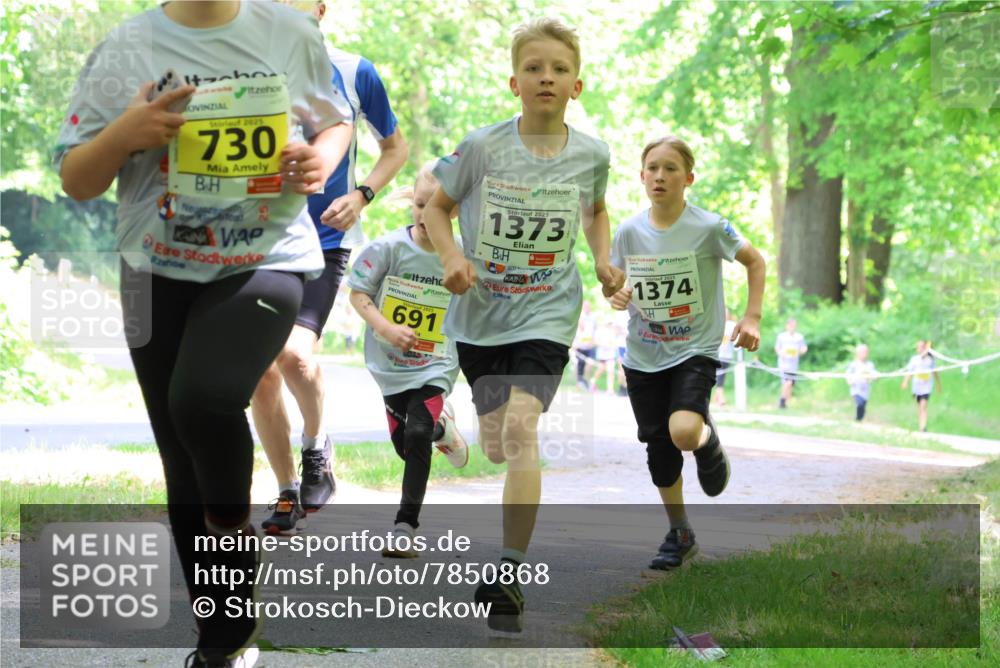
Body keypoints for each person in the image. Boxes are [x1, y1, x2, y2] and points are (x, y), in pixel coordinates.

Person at [55, 1, 353, 665]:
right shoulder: (126, 46)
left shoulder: (289, 32)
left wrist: (317, 159)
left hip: (266, 258)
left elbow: (334, 124)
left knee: (200, 400)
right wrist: (124, 134)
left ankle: (232, 540)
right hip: (152, 270)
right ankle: (221, 637)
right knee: (181, 456)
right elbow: (77, 177)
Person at [422, 18, 624, 632]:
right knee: (495, 444)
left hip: (548, 311)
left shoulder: (592, 153)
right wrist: (451, 257)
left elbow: (596, 210)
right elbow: (437, 208)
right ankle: (455, 431)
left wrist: (603, 260)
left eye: (559, 69)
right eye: (533, 68)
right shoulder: (482, 147)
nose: (546, 77)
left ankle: (509, 573)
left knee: (519, 429)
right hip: (482, 315)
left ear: (577, 85)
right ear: (514, 82)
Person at [254, 0, 408, 536]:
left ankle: (316, 445)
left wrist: (363, 195)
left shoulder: (354, 70)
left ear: (320, 8)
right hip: (255, 240)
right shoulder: (244, 67)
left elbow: (395, 148)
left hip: (324, 238)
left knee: (295, 355)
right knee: (262, 374)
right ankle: (285, 489)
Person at [607, 135, 765, 571]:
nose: (660, 176)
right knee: (659, 448)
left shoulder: (711, 227)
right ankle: (680, 532)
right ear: (641, 177)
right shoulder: (628, 231)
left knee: (682, 431)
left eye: (670, 168)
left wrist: (752, 317)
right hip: (643, 354)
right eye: (652, 168)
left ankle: (706, 439)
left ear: (688, 178)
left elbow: (755, 262)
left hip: (694, 348)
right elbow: (615, 283)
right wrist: (616, 294)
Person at [347, 162, 469, 555]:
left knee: (416, 434)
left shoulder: (462, 255)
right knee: (407, 446)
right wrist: (386, 328)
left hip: (436, 364)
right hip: (390, 365)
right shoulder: (387, 249)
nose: (424, 214)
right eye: (419, 204)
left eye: (434, 206)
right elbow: (358, 294)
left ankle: (404, 526)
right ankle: (441, 429)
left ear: (452, 210)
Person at [901, 339, 941, 432]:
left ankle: (923, 427)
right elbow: (910, 372)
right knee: (919, 407)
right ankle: (919, 424)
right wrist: (905, 382)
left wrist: (938, 384)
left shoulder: (930, 361)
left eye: (922, 347)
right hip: (917, 387)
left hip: (926, 388)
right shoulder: (914, 360)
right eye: (918, 347)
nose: (920, 349)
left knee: (923, 406)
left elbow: (935, 373)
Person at [774, 317, 807, 409]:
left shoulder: (799, 337)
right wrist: (781, 353)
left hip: (794, 364)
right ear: (787, 326)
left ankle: (785, 403)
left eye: (794, 325)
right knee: (787, 382)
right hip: (784, 363)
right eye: (791, 325)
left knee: (791, 383)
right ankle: (782, 401)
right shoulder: (781, 336)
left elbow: (804, 348)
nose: (792, 327)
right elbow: (777, 348)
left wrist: (801, 351)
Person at [713, 309, 737, 407]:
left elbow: (735, 339)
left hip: (727, 356)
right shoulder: (716, 324)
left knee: (721, 375)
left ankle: (717, 397)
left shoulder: (731, 325)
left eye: (726, 312)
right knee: (720, 376)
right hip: (717, 355)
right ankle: (721, 398)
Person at [846, 343, 876, 421]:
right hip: (856, 389)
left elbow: (873, 375)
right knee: (859, 403)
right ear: (857, 353)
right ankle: (858, 419)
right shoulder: (853, 364)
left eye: (865, 352)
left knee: (863, 404)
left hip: (865, 389)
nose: (864, 354)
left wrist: (873, 377)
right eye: (862, 352)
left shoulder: (870, 365)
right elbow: (848, 374)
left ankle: (860, 419)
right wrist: (849, 380)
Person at [572, 300, 598, 389]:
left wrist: (593, 341)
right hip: (579, 345)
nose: (587, 308)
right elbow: (574, 329)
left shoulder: (593, 317)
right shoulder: (578, 315)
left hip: (589, 345)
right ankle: (578, 384)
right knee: (579, 365)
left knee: (590, 364)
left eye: (588, 306)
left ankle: (586, 383)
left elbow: (595, 330)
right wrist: (574, 343)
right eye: (585, 306)